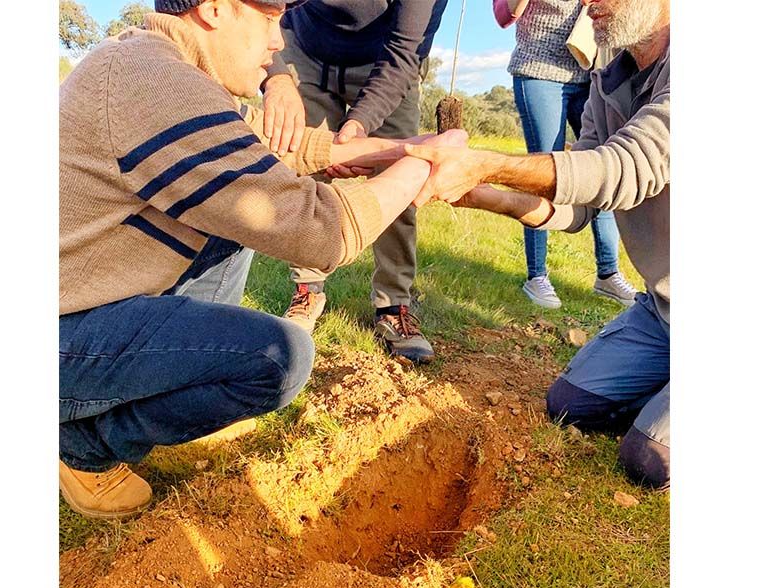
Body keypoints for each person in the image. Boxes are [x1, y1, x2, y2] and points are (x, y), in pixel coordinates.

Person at [59, 0, 466, 519]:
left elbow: (268, 152)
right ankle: (83, 443)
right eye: (269, 18)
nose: (279, 44)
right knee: (279, 358)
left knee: (233, 223)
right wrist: (424, 170)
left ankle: (171, 389)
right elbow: (323, 232)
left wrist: (404, 149)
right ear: (214, 10)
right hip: (61, 336)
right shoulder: (157, 83)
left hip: (78, 301)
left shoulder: (159, 65)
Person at [403, 0, 670, 488]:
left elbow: (624, 168)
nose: (587, 2)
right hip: (665, 310)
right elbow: (579, 204)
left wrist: (486, 162)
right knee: (570, 405)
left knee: (648, 462)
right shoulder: (607, 73)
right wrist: (484, 195)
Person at [257, 0, 449, 364]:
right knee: (303, 174)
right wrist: (277, 76)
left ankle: (393, 304)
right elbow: (262, 8)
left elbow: (405, 52)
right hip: (303, 50)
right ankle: (307, 289)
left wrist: (357, 128)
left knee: (403, 176)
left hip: (386, 62)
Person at [496, 0, 637, 309]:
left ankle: (608, 273)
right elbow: (503, 15)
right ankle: (537, 276)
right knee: (543, 172)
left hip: (591, 72)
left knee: (604, 169)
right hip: (539, 72)